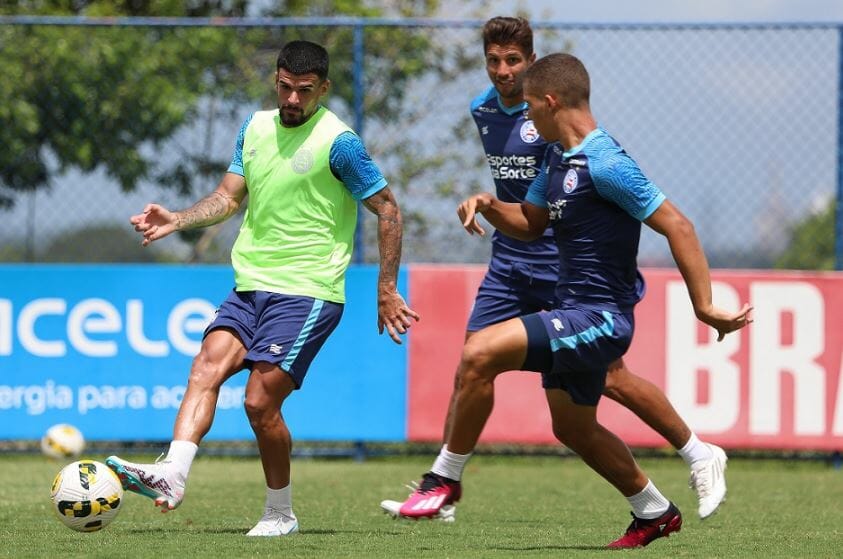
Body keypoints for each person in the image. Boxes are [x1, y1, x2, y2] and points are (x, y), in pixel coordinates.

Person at [392, 52, 753, 549]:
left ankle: (444, 480)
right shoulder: (557, 156)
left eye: (530, 108)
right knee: (573, 426)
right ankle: (653, 511)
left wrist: (704, 305)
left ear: (549, 101)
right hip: (570, 310)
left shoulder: (606, 163)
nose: (526, 119)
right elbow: (531, 223)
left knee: (479, 354)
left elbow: (678, 225)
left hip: (599, 319)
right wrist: (490, 204)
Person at [105, 40, 419, 537]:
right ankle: (172, 475)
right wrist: (179, 219)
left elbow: (388, 209)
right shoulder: (253, 127)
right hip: (250, 284)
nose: (293, 99)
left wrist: (386, 288)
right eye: (286, 88)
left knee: (258, 403)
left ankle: (280, 513)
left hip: (309, 291)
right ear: (276, 80)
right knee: (205, 367)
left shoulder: (340, 142)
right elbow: (229, 197)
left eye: (305, 91)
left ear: (324, 90)